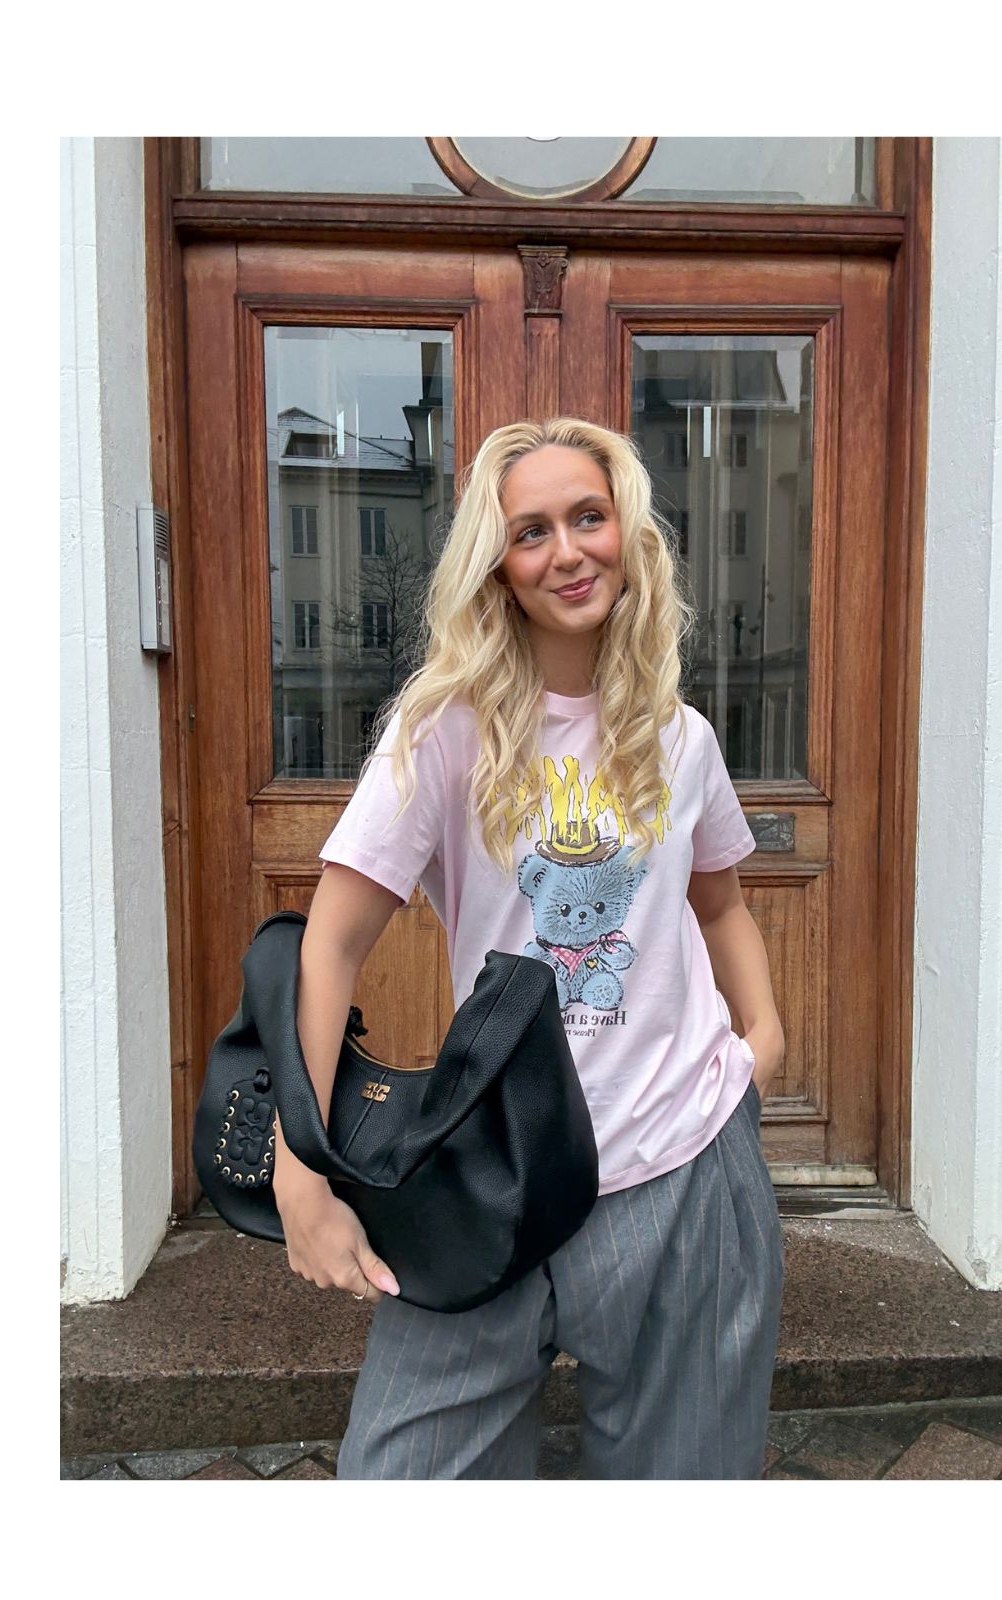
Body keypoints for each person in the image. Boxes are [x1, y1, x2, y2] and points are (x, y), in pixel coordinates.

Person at [272, 416, 786, 1480]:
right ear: (497, 566)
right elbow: (331, 942)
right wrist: (299, 1171)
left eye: (589, 517)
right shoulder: (444, 731)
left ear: (628, 533)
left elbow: (723, 906)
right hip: (492, 1172)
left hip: (683, 1167)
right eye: (531, 531)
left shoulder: (681, 737)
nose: (568, 551)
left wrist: (763, 1040)